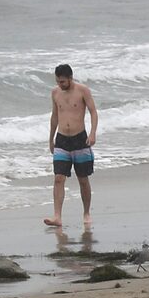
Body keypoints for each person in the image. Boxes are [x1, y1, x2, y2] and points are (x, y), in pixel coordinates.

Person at [45, 63, 97, 232]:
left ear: (70, 78)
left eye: (63, 82)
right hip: (61, 140)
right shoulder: (55, 93)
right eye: (58, 81)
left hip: (80, 139)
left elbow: (93, 112)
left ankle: (86, 213)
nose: (60, 85)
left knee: (83, 179)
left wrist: (92, 133)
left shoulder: (83, 90)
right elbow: (55, 116)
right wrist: (51, 139)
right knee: (58, 178)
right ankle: (57, 216)